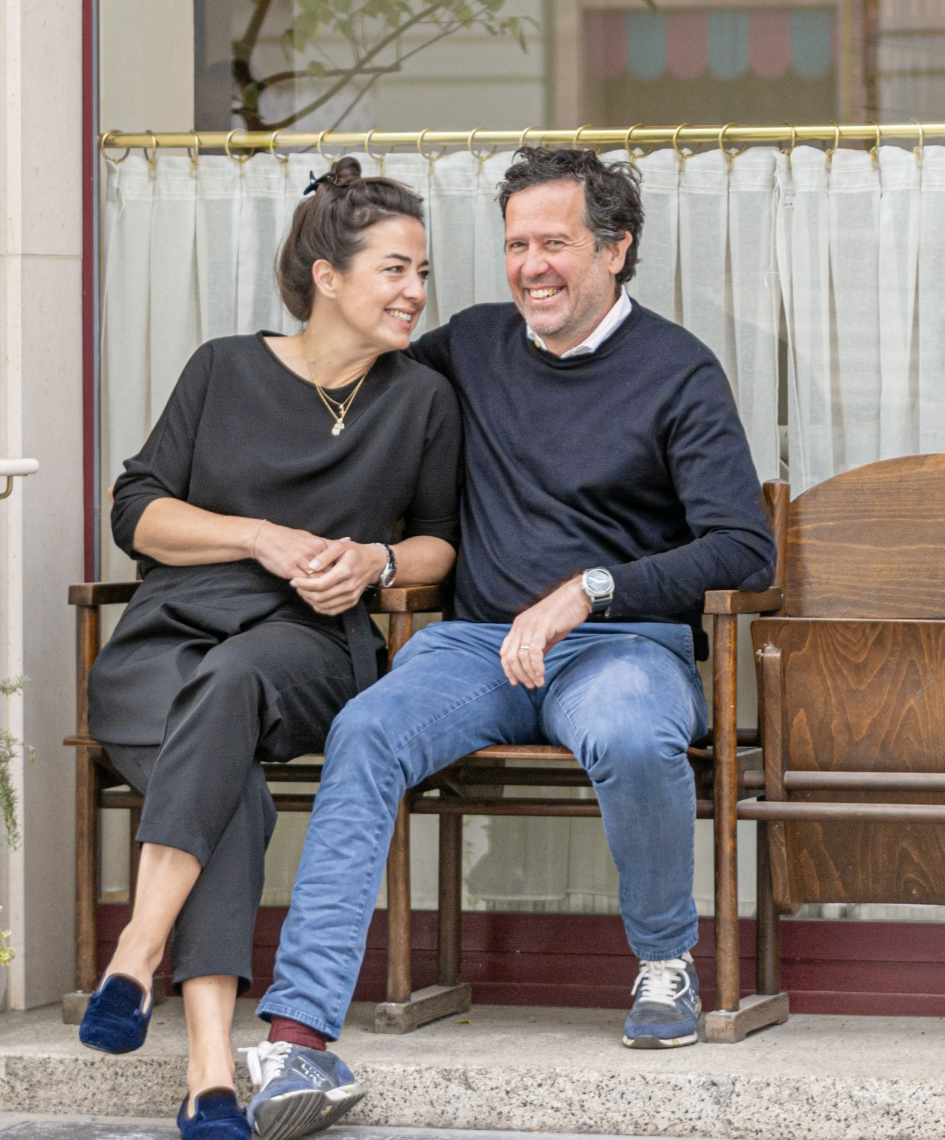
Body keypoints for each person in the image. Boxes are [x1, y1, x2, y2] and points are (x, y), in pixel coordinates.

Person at [244, 147, 776, 1139]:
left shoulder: (677, 371)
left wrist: (590, 589)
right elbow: (354, 348)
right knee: (366, 731)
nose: (530, 266)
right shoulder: (473, 346)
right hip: (476, 646)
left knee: (627, 734)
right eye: (514, 245)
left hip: (621, 649)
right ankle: (299, 1035)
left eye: (555, 244)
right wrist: (330, 249)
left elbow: (744, 548)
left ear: (614, 251)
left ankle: (664, 960)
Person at [78, 156, 461, 1140]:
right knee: (228, 785)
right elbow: (137, 513)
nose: (416, 291)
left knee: (236, 679)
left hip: (308, 644)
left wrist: (374, 560)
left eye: (422, 271)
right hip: (165, 640)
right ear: (326, 276)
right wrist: (253, 534)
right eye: (395, 269)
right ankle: (208, 1070)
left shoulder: (418, 400)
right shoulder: (221, 367)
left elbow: (438, 543)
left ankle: (138, 948)